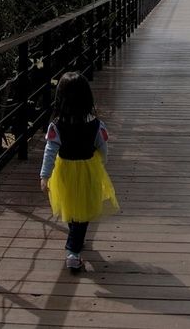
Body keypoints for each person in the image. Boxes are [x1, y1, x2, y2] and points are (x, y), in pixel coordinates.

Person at [39, 72, 119, 272]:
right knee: (83, 210)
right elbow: (103, 148)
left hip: (64, 172)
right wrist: (102, 164)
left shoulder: (56, 126)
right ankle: (73, 253)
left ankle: (74, 241)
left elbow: (50, 152)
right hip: (88, 170)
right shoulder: (96, 125)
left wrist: (45, 175)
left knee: (71, 206)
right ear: (87, 97)